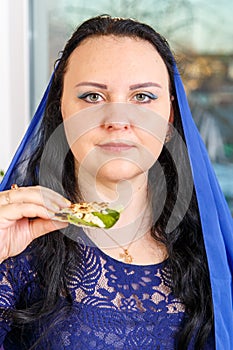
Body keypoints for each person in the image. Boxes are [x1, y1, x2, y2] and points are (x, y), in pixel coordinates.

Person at [0, 15, 232, 350]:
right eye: (92, 96)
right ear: (62, 109)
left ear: (169, 117)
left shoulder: (210, 251)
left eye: (142, 97)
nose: (118, 120)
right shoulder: (16, 244)